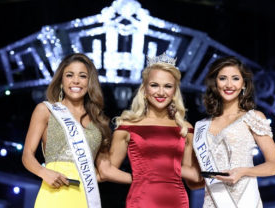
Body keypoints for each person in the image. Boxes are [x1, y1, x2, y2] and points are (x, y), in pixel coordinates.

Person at [22, 53, 131, 208]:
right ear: (61, 80)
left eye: (82, 76)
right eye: (69, 75)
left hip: (85, 197)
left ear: (89, 82)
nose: (76, 81)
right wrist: (43, 172)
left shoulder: (99, 122)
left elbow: (105, 171)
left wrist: (144, 179)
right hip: (53, 194)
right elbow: (27, 155)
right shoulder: (46, 110)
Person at [98, 53, 203, 208]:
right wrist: (139, 178)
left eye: (167, 86)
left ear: (175, 91)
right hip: (142, 200)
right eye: (154, 85)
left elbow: (192, 176)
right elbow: (108, 170)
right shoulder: (127, 126)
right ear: (144, 89)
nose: (161, 92)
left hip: (177, 201)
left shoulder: (185, 128)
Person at [191, 56, 275, 208]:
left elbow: (274, 166)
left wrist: (243, 171)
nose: (229, 84)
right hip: (212, 201)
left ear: (244, 83)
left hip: (245, 199)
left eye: (235, 78)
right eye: (223, 78)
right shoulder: (201, 126)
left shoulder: (253, 117)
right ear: (215, 83)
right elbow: (196, 178)